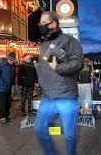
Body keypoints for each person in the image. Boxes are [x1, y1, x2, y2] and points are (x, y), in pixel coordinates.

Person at [34, 11, 84, 155]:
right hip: (47, 96)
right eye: (40, 24)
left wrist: (59, 67)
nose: (41, 26)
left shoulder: (69, 41)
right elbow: (45, 66)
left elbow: (78, 62)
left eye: (44, 23)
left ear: (53, 23)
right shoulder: (43, 45)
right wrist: (40, 79)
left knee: (69, 135)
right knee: (39, 129)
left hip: (66, 96)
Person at [0, 52, 16, 123]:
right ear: (7, 59)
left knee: (8, 102)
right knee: (2, 102)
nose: (11, 62)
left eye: (13, 60)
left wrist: (12, 82)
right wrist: (2, 83)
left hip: (8, 87)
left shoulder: (12, 65)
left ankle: (7, 114)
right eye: (10, 60)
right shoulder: (0, 63)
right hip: (0, 87)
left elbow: (12, 75)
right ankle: (2, 116)